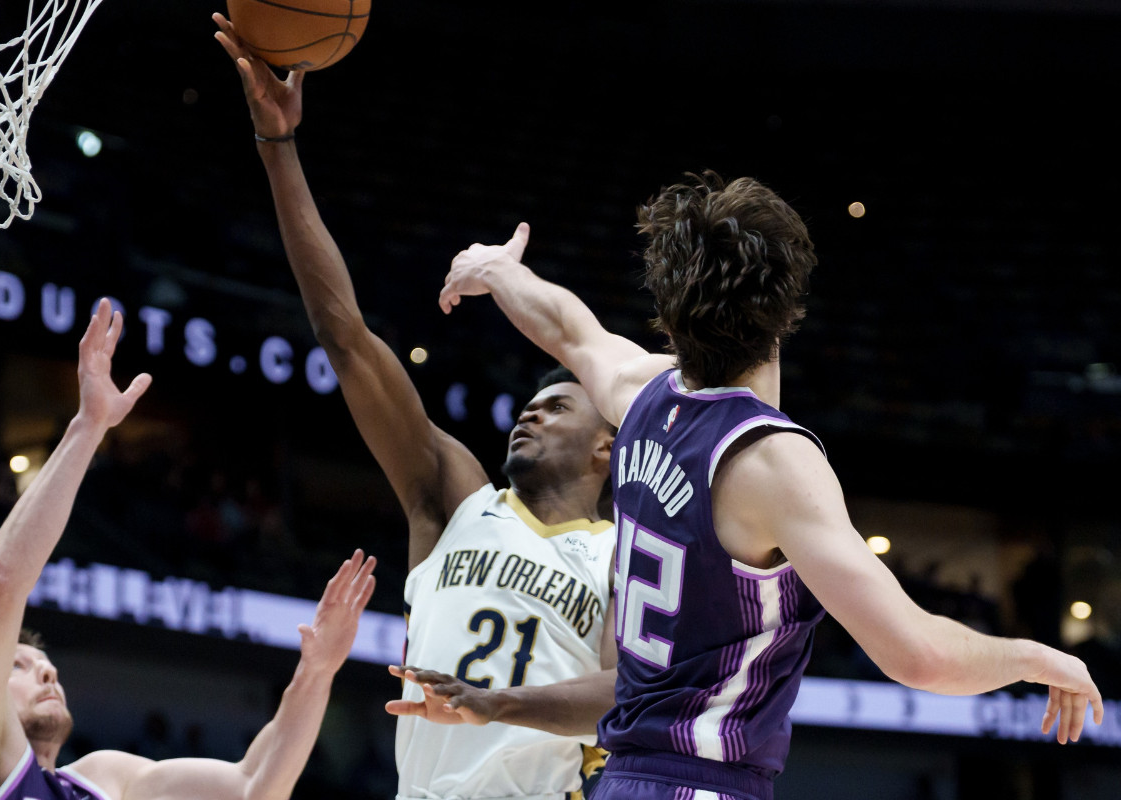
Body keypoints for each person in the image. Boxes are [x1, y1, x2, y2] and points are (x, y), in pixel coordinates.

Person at [431, 171, 1104, 799]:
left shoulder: (642, 395)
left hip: (624, 777)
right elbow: (919, 657)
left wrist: (497, 270)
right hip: (704, 780)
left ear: (668, 310)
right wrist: (1037, 657)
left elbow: (566, 328)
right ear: (787, 310)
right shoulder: (772, 462)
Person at [212, 16, 620, 800]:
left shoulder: (624, 557)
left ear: (607, 446)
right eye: (530, 405)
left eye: (557, 406)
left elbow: (623, 697)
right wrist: (278, 146)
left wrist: (492, 704)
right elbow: (344, 337)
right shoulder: (454, 497)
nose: (530, 414)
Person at [0, 299, 378, 800]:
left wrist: (317, 672)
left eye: (42, 663)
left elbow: (255, 786)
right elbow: (1, 586)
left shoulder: (105, 779)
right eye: (18, 667)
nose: (48, 671)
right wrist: (88, 427)